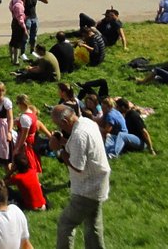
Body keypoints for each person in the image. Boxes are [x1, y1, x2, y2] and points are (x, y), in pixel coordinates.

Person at [48, 105, 109, 249]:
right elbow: (82, 149)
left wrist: (60, 152)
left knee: (66, 223)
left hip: (86, 189)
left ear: (64, 121)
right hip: (99, 183)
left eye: (58, 125)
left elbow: (77, 166)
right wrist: (64, 142)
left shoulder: (78, 136)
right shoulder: (88, 123)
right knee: (93, 226)